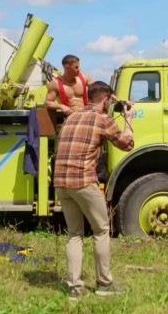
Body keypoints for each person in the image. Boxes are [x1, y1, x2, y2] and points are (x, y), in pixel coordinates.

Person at [53, 81, 134, 301]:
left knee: (74, 233)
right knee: (101, 230)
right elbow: (127, 144)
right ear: (106, 100)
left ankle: (74, 289)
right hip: (83, 181)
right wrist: (129, 118)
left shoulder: (71, 117)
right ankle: (104, 285)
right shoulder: (102, 120)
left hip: (60, 182)